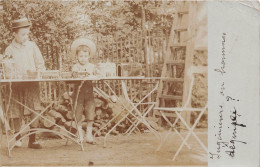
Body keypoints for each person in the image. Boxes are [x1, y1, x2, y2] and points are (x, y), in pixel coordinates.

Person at [4, 17, 46, 149]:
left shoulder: (32, 46)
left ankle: (32, 140)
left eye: (27, 34)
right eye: (23, 34)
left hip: (32, 83)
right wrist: (11, 72)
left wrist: (38, 73)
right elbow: (6, 67)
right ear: (14, 34)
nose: (26, 37)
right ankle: (18, 138)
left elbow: (40, 64)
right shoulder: (9, 49)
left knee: (34, 107)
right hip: (16, 84)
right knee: (15, 109)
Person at [70, 38, 96, 144]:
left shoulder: (92, 67)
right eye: (81, 56)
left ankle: (89, 135)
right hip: (78, 94)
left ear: (89, 56)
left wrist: (94, 73)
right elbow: (73, 75)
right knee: (78, 113)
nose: (83, 59)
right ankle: (79, 134)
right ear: (77, 56)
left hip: (89, 94)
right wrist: (77, 73)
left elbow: (97, 74)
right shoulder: (75, 67)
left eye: (85, 56)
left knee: (90, 113)